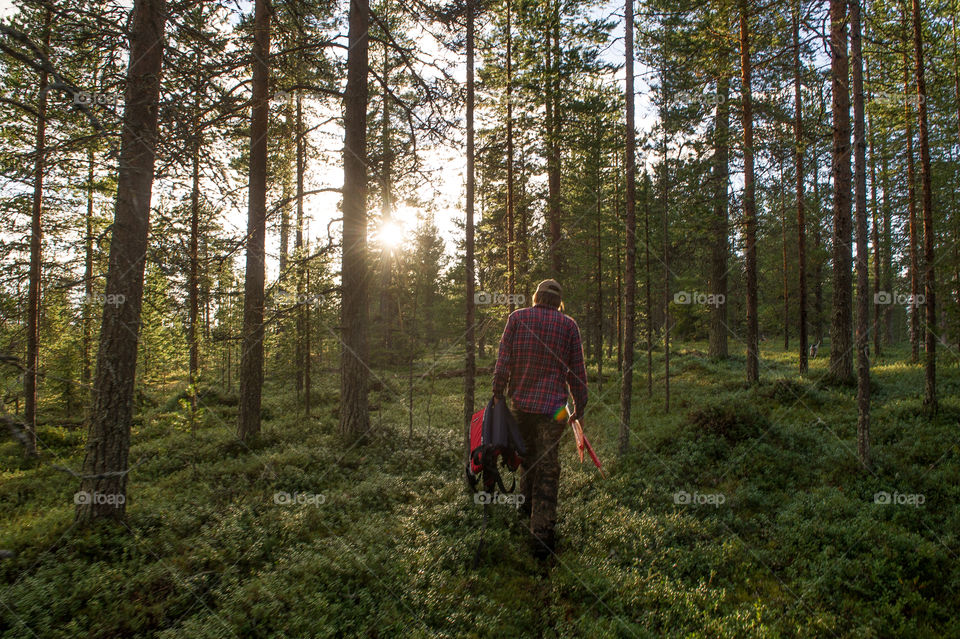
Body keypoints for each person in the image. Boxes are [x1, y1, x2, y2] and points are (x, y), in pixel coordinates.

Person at [492, 279, 588, 560]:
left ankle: (525, 509)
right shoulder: (569, 326)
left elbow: (503, 360)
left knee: (527, 458)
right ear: (558, 301)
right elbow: (577, 372)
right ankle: (542, 535)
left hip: (520, 406)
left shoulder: (517, 318)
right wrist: (579, 405)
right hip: (554, 410)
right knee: (547, 467)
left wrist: (498, 394)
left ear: (536, 297)